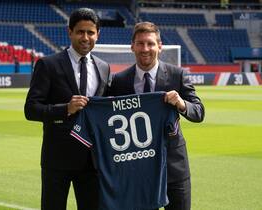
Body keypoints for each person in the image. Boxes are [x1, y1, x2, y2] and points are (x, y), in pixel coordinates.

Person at [108, 21, 205, 210]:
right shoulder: (119, 81)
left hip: (174, 167)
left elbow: (199, 112)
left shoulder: (177, 75)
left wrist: (181, 104)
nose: (145, 49)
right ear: (132, 47)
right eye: (140, 43)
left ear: (159, 46)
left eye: (150, 43)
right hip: (137, 170)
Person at [24, 8, 110, 210]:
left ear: (98, 34)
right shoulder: (48, 64)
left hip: (92, 161)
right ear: (69, 32)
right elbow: (31, 109)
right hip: (58, 159)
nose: (85, 37)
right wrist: (65, 109)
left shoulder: (104, 67)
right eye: (80, 32)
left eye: (91, 32)